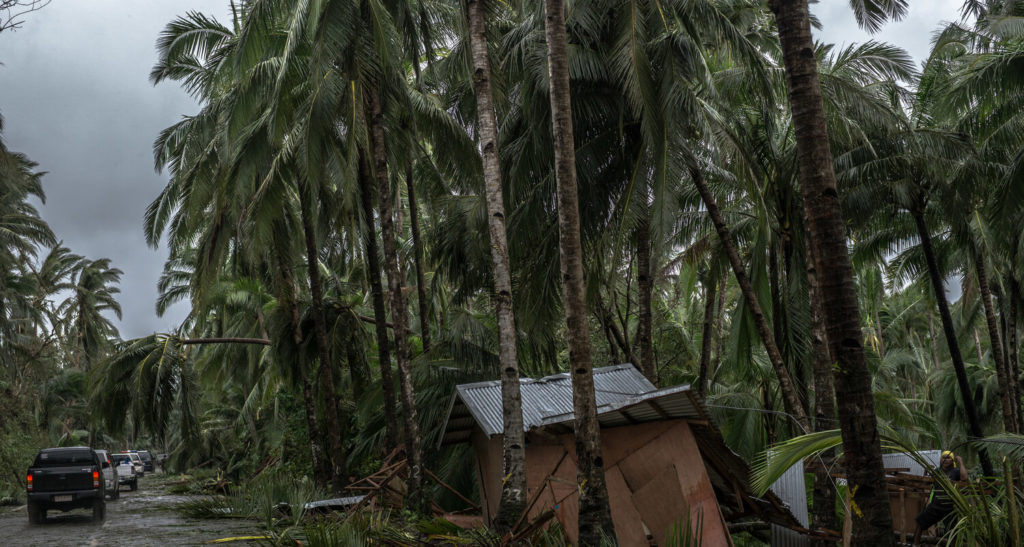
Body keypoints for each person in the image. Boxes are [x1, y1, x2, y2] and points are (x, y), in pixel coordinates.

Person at [912, 450, 966, 545]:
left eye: (948, 457)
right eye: (943, 457)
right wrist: (926, 471)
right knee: (920, 523)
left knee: (952, 533)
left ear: (952, 461)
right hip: (935, 506)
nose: (945, 459)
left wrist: (961, 462)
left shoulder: (956, 472)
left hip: (949, 508)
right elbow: (926, 482)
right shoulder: (937, 472)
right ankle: (915, 545)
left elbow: (965, 478)